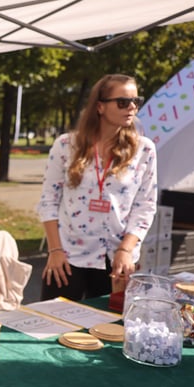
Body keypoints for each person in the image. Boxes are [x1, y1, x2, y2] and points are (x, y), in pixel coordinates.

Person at [36, 73, 157, 301]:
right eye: (123, 102)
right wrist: (54, 251)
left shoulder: (145, 150)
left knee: (108, 331)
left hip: (117, 262)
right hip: (67, 258)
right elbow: (48, 202)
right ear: (100, 107)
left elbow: (145, 207)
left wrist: (125, 250)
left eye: (136, 101)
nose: (131, 107)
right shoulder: (65, 145)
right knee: (51, 328)